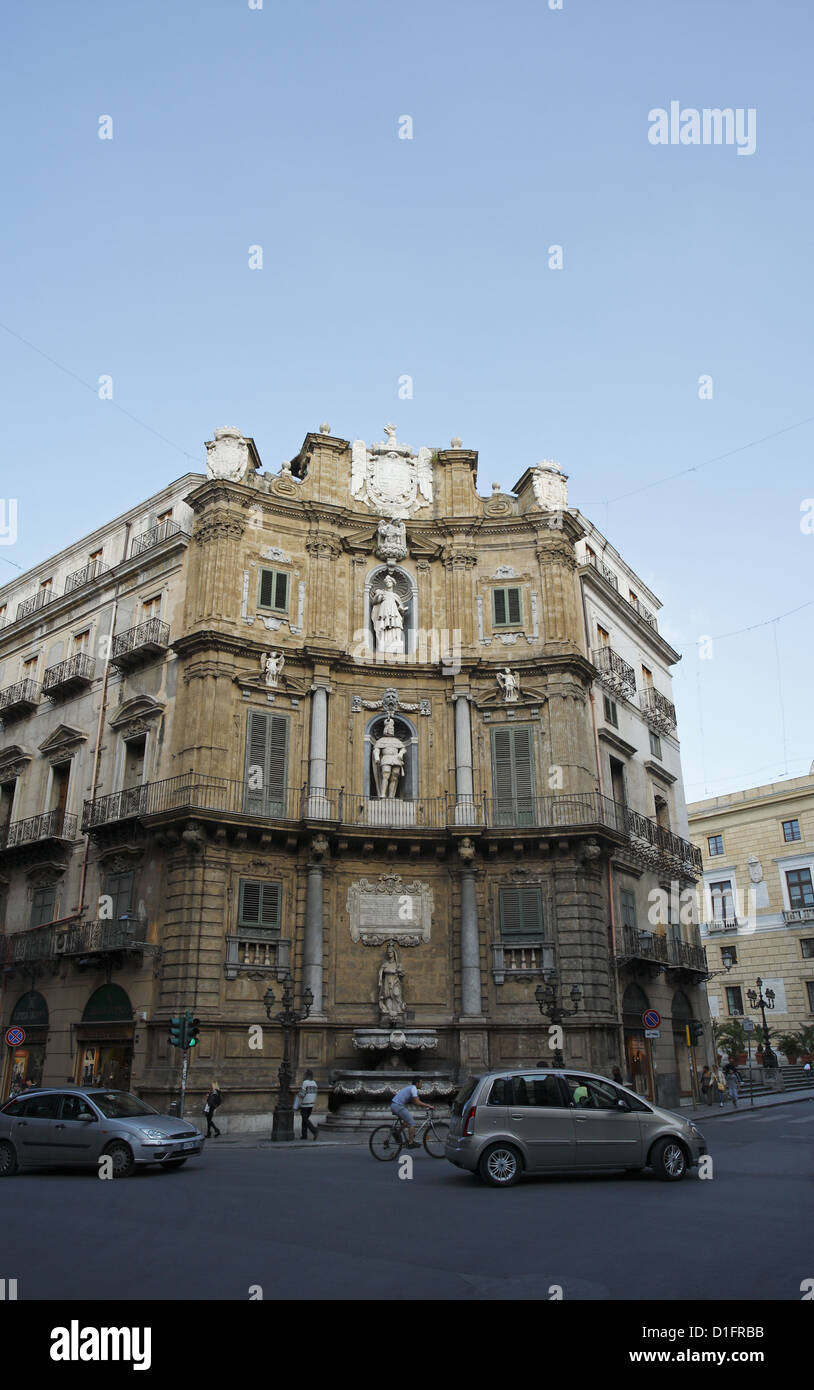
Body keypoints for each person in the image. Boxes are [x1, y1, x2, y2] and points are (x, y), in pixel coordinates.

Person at [390, 1077, 433, 1149]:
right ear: (417, 1083)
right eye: (421, 1083)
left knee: (407, 1121)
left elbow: (416, 1101)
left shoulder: (411, 1088)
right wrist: (428, 1105)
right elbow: (417, 1102)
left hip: (394, 1105)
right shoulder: (413, 1088)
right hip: (398, 1106)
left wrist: (424, 1105)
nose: (421, 1084)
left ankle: (396, 1133)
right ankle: (411, 1142)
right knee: (412, 1122)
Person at [294, 1070, 319, 1140]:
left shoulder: (305, 1083)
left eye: (304, 1075)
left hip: (305, 1104)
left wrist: (296, 1105)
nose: (303, 1076)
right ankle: (304, 1135)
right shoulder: (314, 1083)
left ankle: (314, 1130)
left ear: (307, 1076)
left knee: (305, 1119)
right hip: (311, 1105)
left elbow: (301, 1094)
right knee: (305, 1119)